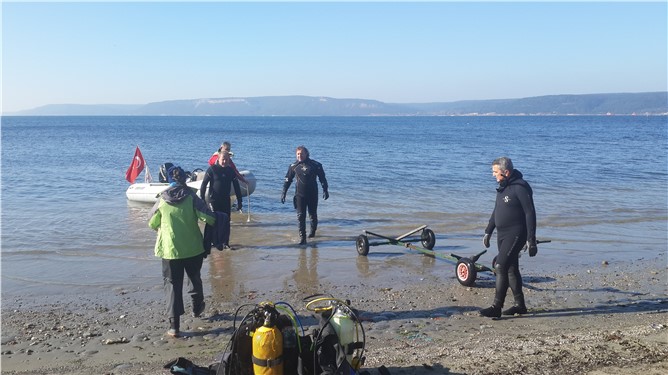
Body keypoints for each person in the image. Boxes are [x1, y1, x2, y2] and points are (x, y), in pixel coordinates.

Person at [148, 166, 216, 337]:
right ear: (185, 180)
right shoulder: (192, 197)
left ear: (169, 180)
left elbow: (151, 223)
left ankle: (174, 327)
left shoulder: (162, 199)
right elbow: (209, 218)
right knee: (194, 278)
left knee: (172, 286)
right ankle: (197, 308)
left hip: (170, 251)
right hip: (193, 249)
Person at [480, 157, 537, 318]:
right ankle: (520, 305)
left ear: (506, 172)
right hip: (502, 234)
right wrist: (488, 231)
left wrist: (531, 239)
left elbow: (530, 213)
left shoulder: (520, 187)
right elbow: (496, 210)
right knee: (511, 268)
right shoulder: (503, 187)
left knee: (500, 266)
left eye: (495, 172)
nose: (493, 175)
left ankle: (496, 307)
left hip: (517, 233)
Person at [281, 146, 329, 245]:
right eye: (298, 154)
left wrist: (325, 190)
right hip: (299, 195)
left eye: (302, 154)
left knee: (312, 215)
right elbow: (287, 180)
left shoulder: (316, 165)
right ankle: (303, 238)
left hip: (312, 194)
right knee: (300, 216)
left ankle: (312, 232)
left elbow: (322, 178)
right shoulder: (293, 166)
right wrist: (284, 192)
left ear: (306, 154)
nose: (300, 156)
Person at [200, 150, 243, 226]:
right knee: (213, 222)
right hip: (214, 200)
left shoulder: (230, 171)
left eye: (227, 159)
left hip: (226, 201)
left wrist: (240, 201)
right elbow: (204, 184)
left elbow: (237, 186)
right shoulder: (212, 169)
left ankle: (224, 238)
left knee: (226, 222)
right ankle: (212, 238)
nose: (224, 161)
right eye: (223, 159)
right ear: (218, 159)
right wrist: (202, 199)